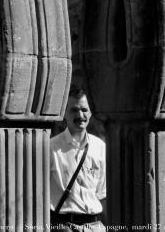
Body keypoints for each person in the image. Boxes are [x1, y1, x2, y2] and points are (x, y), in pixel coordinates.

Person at [50, 86, 106, 232]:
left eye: (84, 110)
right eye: (74, 110)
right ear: (64, 114)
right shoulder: (50, 148)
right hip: (63, 227)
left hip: (95, 227)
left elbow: (101, 193)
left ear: (91, 112)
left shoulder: (100, 147)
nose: (80, 115)